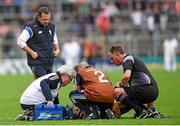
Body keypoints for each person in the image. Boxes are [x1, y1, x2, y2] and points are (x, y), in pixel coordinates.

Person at [108, 45, 160, 119]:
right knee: (126, 96)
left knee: (116, 91)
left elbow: (127, 76)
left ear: (118, 54)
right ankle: (151, 111)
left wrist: (119, 84)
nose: (111, 61)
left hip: (147, 91)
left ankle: (140, 111)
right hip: (152, 91)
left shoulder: (127, 59)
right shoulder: (132, 60)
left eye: (112, 58)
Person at [17, 6, 60, 79]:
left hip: (49, 63)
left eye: (48, 19)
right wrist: (32, 53)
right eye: (44, 19)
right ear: (38, 17)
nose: (46, 21)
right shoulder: (31, 27)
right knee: (43, 86)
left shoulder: (51, 27)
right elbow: (20, 41)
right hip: (37, 64)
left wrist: (57, 49)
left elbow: (54, 39)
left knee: (49, 87)